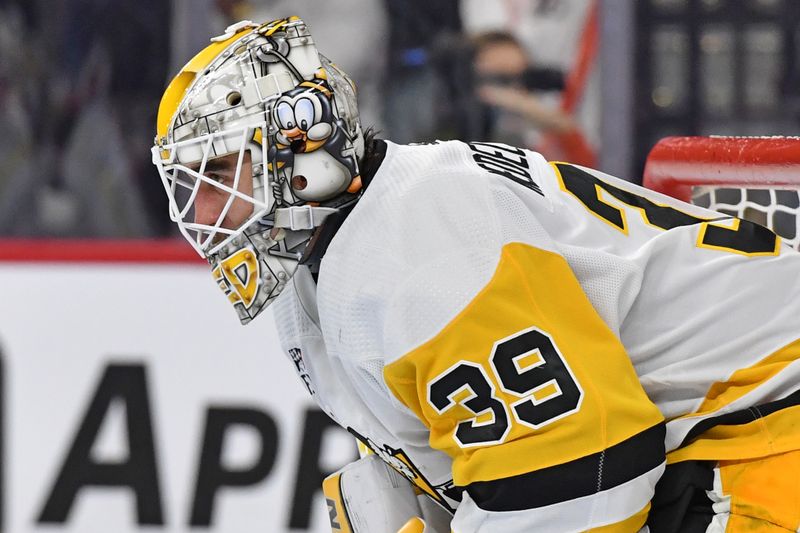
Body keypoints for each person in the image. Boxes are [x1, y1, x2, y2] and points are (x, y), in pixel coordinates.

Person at [151, 18, 800, 533]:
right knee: (371, 497)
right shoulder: (326, 265)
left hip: (767, 433)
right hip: (721, 430)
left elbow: (592, 467)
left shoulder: (421, 249)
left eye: (225, 170)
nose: (203, 210)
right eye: (191, 183)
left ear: (304, 147)